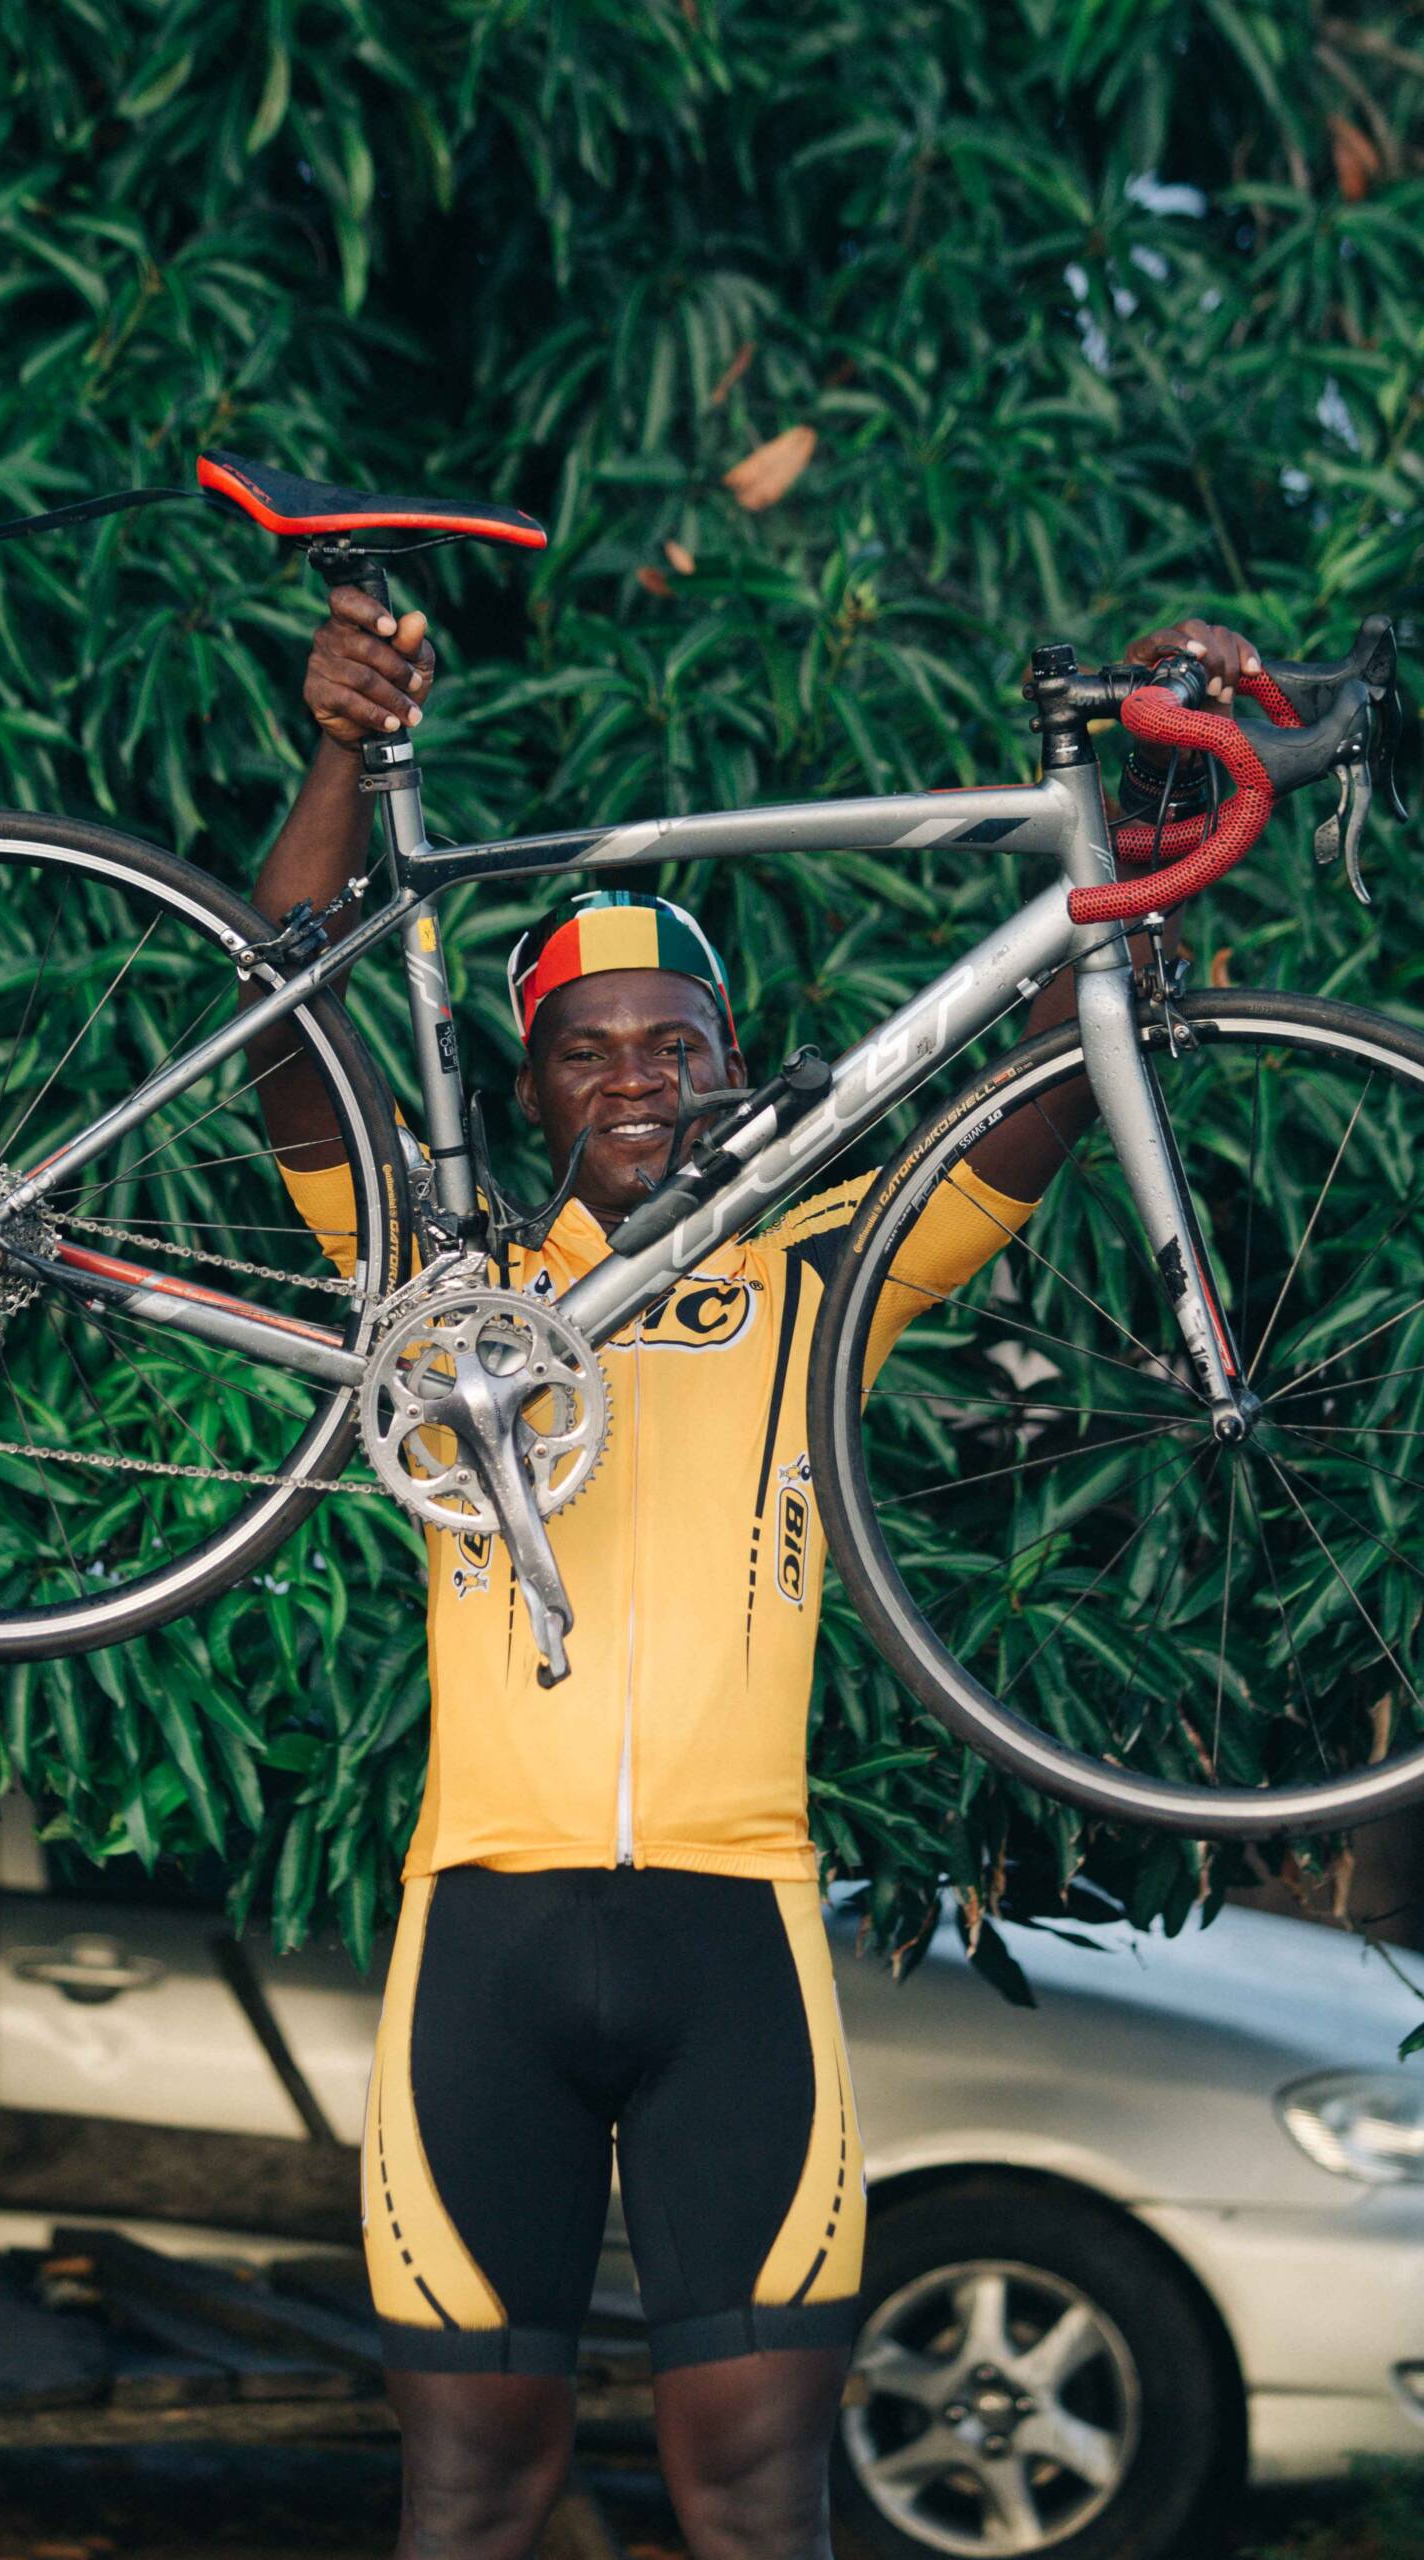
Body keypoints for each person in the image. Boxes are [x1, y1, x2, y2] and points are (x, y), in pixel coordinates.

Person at [254, 594, 1258, 2560]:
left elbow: (1057, 1068)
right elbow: (281, 1018)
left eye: (673, 1046)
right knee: (468, 2496)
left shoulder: (818, 1273)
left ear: (728, 1067)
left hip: (739, 1945)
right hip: (482, 1945)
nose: (632, 1082)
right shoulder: (446, 1297)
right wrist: (340, 752)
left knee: (757, 2504)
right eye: (584, 1052)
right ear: (527, 1086)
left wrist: (1143, 805)